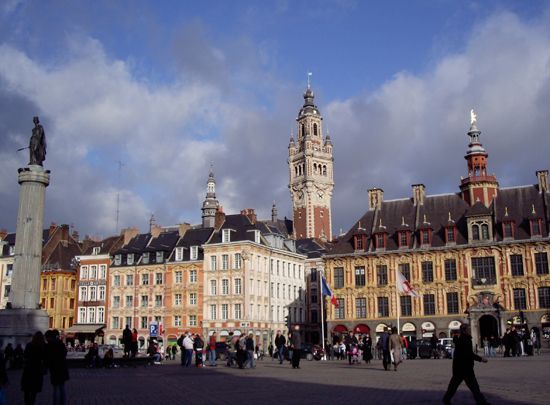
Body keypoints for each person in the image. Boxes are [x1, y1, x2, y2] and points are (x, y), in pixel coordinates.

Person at [442, 324, 490, 405]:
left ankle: (446, 399)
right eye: (468, 329)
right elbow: (469, 354)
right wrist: (481, 359)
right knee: (474, 386)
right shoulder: (466, 339)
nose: (469, 330)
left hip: (458, 367)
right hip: (466, 367)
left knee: (454, 385)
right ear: (466, 330)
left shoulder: (459, 339)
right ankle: (481, 402)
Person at [21, 331, 46, 405]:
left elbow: (25, 355)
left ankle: (27, 402)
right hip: (38, 369)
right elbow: (45, 358)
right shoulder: (43, 346)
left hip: (28, 369)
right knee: (34, 390)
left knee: (27, 389)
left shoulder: (29, 345)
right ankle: (32, 402)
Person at [45, 330, 69, 405]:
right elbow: (65, 353)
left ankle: (55, 403)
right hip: (62, 368)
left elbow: (47, 358)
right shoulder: (60, 343)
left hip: (55, 369)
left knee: (56, 388)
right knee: (62, 388)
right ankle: (63, 403)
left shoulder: (49, 345)